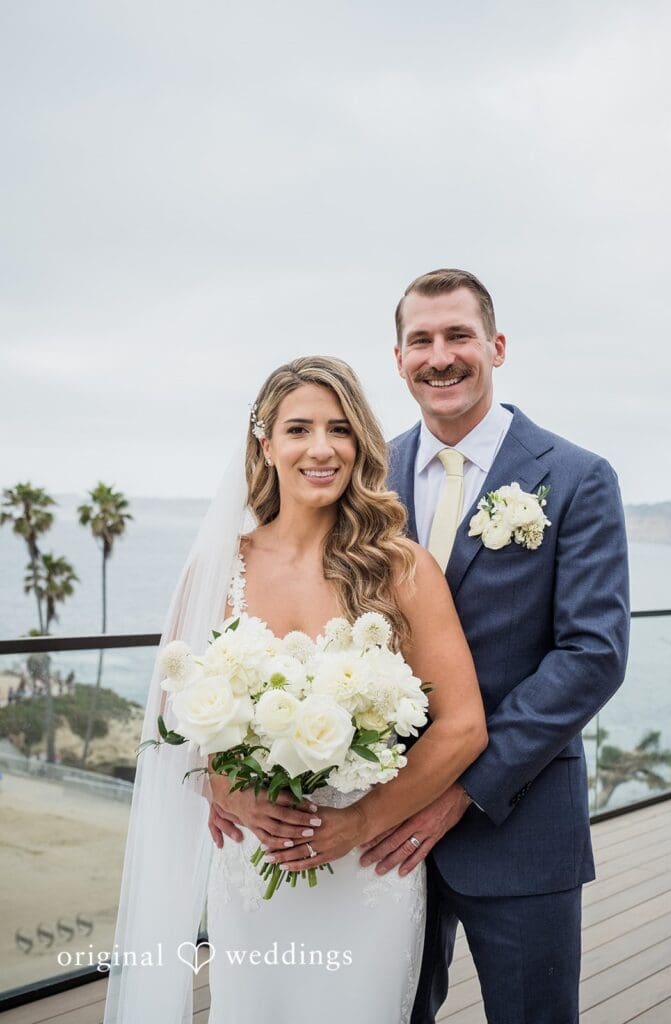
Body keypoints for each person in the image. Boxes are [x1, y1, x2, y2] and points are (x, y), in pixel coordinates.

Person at [104, 355, 487, 1024]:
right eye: (298, 428)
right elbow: (170, 724)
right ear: (266, 443)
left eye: (339, 429)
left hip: (369, 867)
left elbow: (462, 725)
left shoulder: (400, 567)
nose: (320, 448)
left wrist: (364, 821)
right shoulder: (218, 566)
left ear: (359, 442)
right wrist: (223, 784)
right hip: (253, 869)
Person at [356, 268, 631, 1023]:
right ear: (398, 357)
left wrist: (455, 791)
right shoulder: (364, 476)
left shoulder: (574, 478)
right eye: (421, 340)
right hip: (375, 821)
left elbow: (592, 654)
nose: (439, 356)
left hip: (517, 821)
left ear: (496, 346)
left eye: (457, 337)